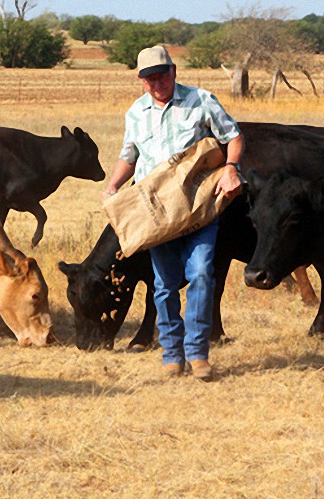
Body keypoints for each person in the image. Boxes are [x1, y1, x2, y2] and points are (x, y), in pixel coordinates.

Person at [102, 45, 245, 381]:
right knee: (164, 284)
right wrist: (112, 187)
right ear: (140, 81)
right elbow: (129, 156)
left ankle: (197, 354)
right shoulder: (136, 113)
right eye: (148, 78)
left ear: (174, 71)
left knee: (201, 273)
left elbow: (234, 136)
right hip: (157, 213)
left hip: (199, 206)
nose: (156, 83)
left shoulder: (201, 100)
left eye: (161, 75)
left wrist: (231, 168)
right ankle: (172, 354)